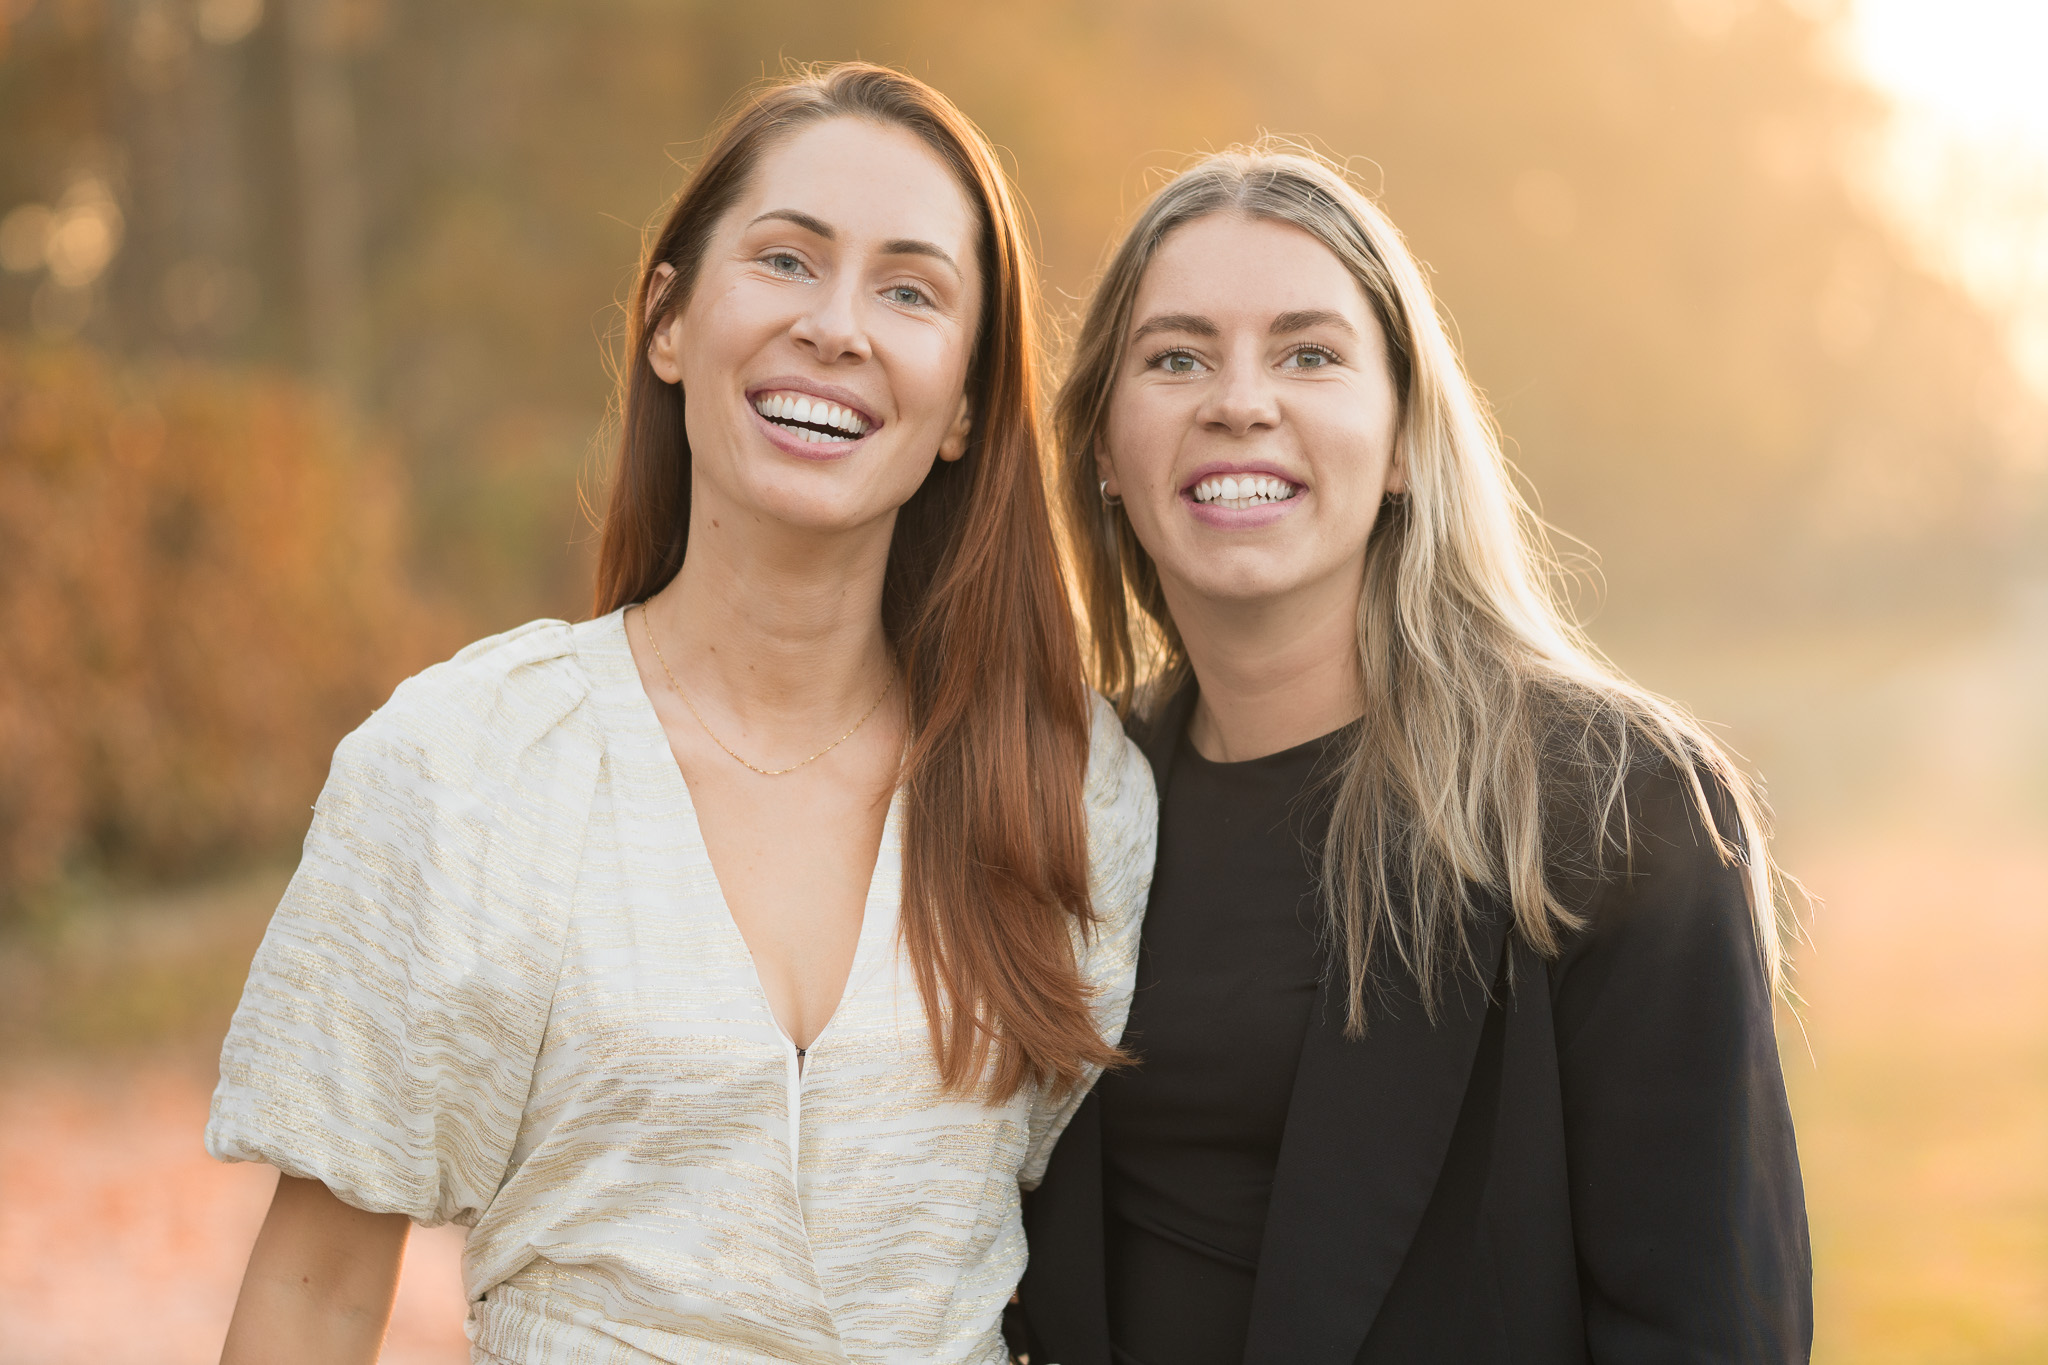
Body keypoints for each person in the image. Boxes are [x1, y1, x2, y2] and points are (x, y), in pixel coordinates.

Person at [207, 63, 1155, 1365]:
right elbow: (313, 1300)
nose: (837, 326)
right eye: (786, 260)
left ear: (968, 405)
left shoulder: (1079, 792)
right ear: (668, 319)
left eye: (910, 289)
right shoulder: (462, 768)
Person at [1015, 145, 1810, 1365]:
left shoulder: (1609, 808)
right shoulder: (1060, 795)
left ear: (1399, 444)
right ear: (1105, 455)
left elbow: (1706, 1331)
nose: (1237, 401)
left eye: (1307, 354)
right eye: (1175, 357)